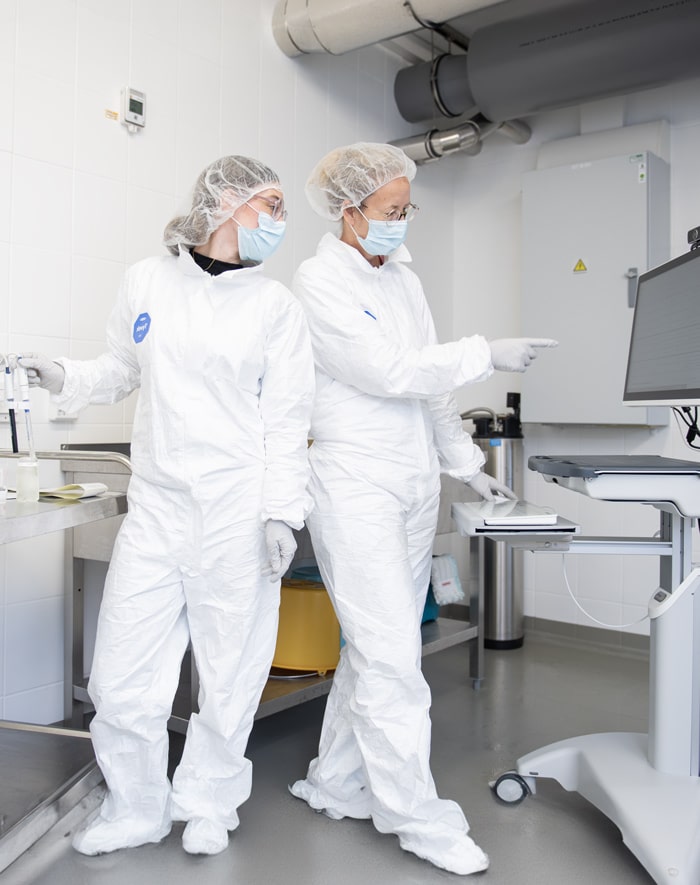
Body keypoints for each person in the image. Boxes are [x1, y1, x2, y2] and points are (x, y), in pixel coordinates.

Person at [20, 155, 315, 858]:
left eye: (281, 207)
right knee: (123, 669)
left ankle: (210, 801)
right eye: (268, 204)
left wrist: (281, 512)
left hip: (236, 509)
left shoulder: (275, 306)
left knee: (232, 669)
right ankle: (137, 804)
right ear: (223, 204)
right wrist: (70, 376)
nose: (279, 220)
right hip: (157, 506)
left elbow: (287, 416)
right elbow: (123, 367)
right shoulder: (147, 281)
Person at [288, 142, 557, 876]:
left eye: (408, 210)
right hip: (354, 484)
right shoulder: (319, 283)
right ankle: (417, 816)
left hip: (410, 483)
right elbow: (388, 370)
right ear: (350, 211)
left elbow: (430, 389)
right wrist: (486, 351)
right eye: (390, 211)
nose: (402, 223)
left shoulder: (403, 279)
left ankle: (337, 779)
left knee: (382, 643)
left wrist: (469, 466)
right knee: (390, 659)